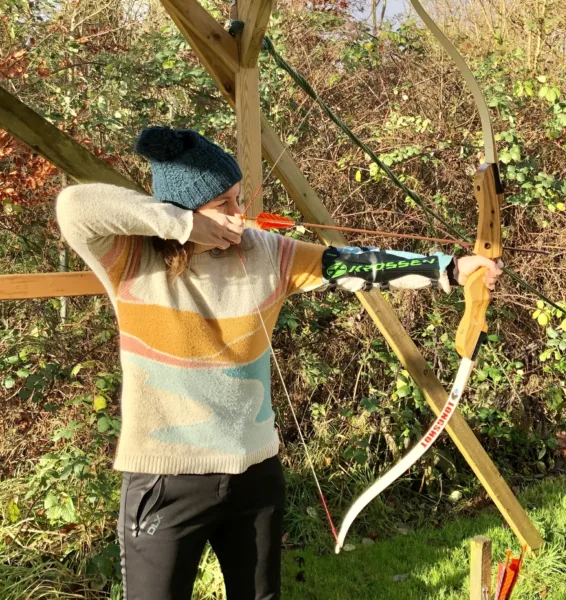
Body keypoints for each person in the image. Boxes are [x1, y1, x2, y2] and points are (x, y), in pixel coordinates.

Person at [55, 126, 501, 600]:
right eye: (223, 204)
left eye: (238, 197)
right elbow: (74, 206)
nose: (238, 213)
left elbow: (345, 265)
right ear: (183, 212)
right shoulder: (131, 258)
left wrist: (448, 269)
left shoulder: (264, 251)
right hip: (165, 480)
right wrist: (182, 227)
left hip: (254, 473)